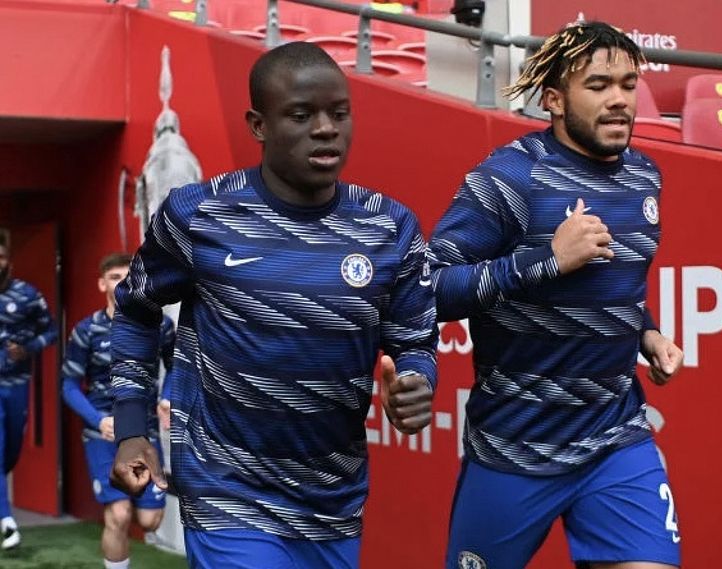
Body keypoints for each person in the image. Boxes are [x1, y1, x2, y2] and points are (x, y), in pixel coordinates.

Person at [109, 42, 438, 569]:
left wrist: (418, 381)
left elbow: (414, 340)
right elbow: (134, 310)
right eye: (302, 115)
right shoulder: (198, 215)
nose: (326, 129)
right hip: (226, 489)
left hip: (332, 498)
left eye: (339, 113)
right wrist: (131, 426)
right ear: (258, 125)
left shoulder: (389, 226)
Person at [429, 20, 684, 569]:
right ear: (554, 100)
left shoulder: (645, 177)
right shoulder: (508, 178)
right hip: (515, 447)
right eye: (598, 85)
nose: (619, 100)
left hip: (615, 439)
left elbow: (615, 285)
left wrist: (647, 333)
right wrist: (546, 261)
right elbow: (431, 290)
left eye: (628, 84)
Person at [61, 253, 175, 569]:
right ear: (102, 284)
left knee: (150, 520)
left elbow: (177, 366)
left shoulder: (161, 325)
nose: (122, 282)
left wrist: (167, 397)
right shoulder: (86, 330)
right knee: (119, 514)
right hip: (103, 432)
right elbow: (68, 385)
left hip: (145, 429)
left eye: (128, 276)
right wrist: (98, 420)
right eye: (114, 277)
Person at [0, 242, 58, 550]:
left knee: (11, 450)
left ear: (8, 260)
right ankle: (7, 521)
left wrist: (28, 348)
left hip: (17, 383)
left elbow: (51, 331)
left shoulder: (28, 294)